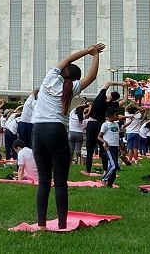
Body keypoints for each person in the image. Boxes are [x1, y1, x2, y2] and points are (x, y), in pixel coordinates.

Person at [31, 43, 105, 230]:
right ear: (74, 78)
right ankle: (62, 224)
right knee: (61, 183)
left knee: (44, 181)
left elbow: (69, 59)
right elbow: (93, 76)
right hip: (56, 132)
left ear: (63, 71)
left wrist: (89, 51)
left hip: (38, 131)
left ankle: (41, 225)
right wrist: (96, 56)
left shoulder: (49, 78)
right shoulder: (72, 88)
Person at [98, 107, 121, 188]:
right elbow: (99, 136)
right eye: (116, 115)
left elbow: (117, 136)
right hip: (109, 148)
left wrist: (120, 147)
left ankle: (110, 183)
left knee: (113, 167)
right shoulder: (105, 125)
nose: (117, 116)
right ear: (110, 116)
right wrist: (105, 142)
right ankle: (104, 179)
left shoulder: (116, 124)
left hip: (115, 147)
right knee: (114, 165)